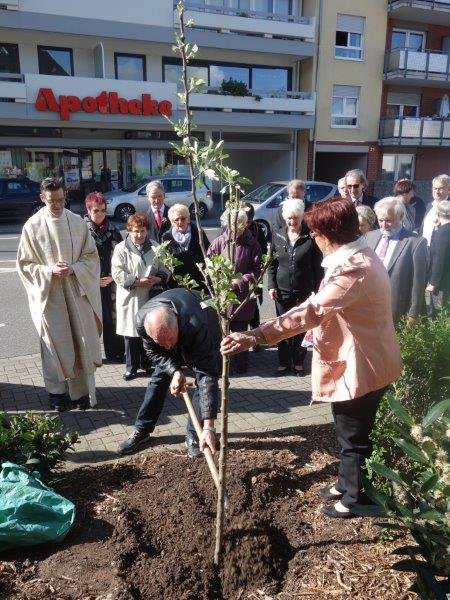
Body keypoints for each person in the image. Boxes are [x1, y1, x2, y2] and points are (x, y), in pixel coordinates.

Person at [221, 198, 402, 519]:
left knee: (354, 437)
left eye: (316, 232)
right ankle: (345, 485)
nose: (313, 238)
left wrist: (255, 335)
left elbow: (313, 311)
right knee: (347, 429)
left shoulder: (354, 269)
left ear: (329, 235)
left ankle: (355, 499)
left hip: (363, 366)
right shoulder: (356, 256)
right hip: (364, 359)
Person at [17, 177, 102, 411]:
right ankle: (57, 394)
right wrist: (49, 271)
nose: (57, 205)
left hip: (76, 291)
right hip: (50, 296)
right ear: (42, 198)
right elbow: (25, 265)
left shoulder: (77, 222)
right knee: (53, 344)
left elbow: (91, 257)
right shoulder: (32, 227)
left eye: (61, 199)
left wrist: (74, 268)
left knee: (79, 341)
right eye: (52, 200)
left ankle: (81, 393)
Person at [117, 288, 220, 459]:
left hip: (203, 320)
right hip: (175, 326)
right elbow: (153, 352)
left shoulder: (197, 326)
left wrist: (209, 427)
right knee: (158, 379)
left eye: (171, 341)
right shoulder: (143, 322)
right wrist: (175, 370)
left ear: (178, 323)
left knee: (201, 384)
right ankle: (142, 429)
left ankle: (195, 435)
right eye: (161, 342)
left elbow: (207, 375)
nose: (168, 347)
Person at [267, 198, 322, 376]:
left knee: (301, 326)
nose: (292, 222)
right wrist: (271, 285)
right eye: (289, 218)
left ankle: (298, 362)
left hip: (304, 290)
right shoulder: (278, 234)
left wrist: (317, 289)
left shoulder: (310, 236)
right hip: (281, 290)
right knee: (282, 326)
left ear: (301, 217)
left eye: (295, 218)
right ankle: (283, 362)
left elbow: (317, 265)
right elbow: (272, 264)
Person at [111, 214, 169, 381]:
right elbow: (117, 272)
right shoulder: (121, 248)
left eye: (142, 230)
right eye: (135, 231)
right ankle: (131, 368)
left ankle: (147, 364)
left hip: (150, 296)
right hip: (131, 296)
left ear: (147, 231)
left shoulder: (156, 246)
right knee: (130, 335)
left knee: (148, 332)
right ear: (129, 231)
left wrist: (158, 278)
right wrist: (136, 281)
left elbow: (166, 267)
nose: (139, 234)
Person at [208, 208, 262, 374]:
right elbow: (210, 262)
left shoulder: (253, 244)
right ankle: (222, 365)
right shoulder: (219, 242)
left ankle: (241, 366)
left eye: (241, 224)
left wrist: (239, 282)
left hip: (242, 298)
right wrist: (220, 279)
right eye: (233, 224)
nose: (237, 228)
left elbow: (257, 270)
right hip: (223, 297)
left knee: (240, 333)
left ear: (246, 224)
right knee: (221, 333)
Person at [366, 197, 428, 325]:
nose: (383, 225)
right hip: (369, 305)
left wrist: (413, 313)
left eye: (388, 220)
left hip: (397, 307)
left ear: (401, 216)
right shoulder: (370, 237)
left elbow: (418, 282)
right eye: (380, 220)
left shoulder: (415, 243)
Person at [84, 191, 124, 362]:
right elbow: (78, 258)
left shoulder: (114, 230)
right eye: (96, 211)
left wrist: (113, 277)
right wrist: (93, 279)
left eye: (102, 210)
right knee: (90, 321)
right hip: (90, 283)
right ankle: (91, 356)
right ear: (88, 211)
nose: (100, 214)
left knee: (112, 318)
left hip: (110, 281)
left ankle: (115, 353)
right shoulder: (82, 231)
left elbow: (123, 256)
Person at [161, 203, 210, 291]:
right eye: (176, 219)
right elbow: (164, 263)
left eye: (183, 219)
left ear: (188, 219)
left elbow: (208, 254)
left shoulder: (198, 233)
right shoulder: (166, 238)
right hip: (177, 284)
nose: (180, 222)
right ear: (172, 222)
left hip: (199, 282)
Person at [243, 201, 267, 345]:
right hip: (238, 275)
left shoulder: (257, 229)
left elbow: (263, 249)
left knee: (253, 306)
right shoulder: (231, 227)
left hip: (253, 273)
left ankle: (255, 335)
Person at [426, 200, 450, 315]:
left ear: (438, 214)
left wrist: (433, 282)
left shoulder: (443, 233)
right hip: (445, 278)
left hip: (442, 282)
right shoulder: (443, 230)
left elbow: (439, 259)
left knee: (437, 312)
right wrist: (436, 228)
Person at [421, 173, 449, 247]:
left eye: (441, 188)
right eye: (435, 188)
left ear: (449, 190)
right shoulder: (429, 206)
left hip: (440, 251)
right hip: (424, 249)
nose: (437, 192)